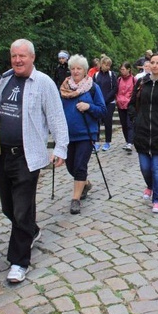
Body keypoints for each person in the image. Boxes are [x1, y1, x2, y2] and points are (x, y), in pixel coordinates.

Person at [0, 39, 69, 284]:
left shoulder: (43, 83)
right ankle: (31, 229)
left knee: (21, 210)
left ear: (32, 58)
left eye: (22, 56)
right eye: (14, 56)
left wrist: (60, 148)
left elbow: (57, 118)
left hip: (27, 157)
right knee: (9, 208)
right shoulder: (5, 80)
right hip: (0, 154)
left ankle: (19, 262)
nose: (17, 60)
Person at [128, 52, 158, 213]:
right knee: (144, 167)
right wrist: (136, 119)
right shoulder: (142, 82)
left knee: (156, 168)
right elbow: (132, 103)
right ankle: (149, 186)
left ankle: (157, 199)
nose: (154, 65)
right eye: (152, 62)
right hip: (141, 130)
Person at [60, 55, 106, 215]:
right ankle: (85, 183)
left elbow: (102, 110)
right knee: (71, 166)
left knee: (80, 166)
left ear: (85, 70)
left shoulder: (93, 88)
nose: (75, 71)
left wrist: (89, 106)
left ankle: (75, 200)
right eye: (73, 68)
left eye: (78, 68)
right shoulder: (64, 88)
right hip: (67, 135)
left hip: (86, 134)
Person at [93, 56, 117, 151]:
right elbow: (93, 87)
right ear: (102, 64)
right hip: (98, 103)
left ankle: (107, 142)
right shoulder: (96, 75)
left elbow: (115, 88)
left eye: (109, 65)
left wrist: (106, 99)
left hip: (109, 102)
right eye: (106, 65)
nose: (108, 67)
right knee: (97, 122)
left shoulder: (112, 75)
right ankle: (96, 141)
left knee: (108, 122)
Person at [116, 62, 136, 152]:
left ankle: (130, 142)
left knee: (129, 124)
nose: (122, 71)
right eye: (121, 69)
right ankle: (127, 141)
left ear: (128, 69)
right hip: (120, 104)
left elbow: (136, 91)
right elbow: (116, 90)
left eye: (123, 69)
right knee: (124, 124)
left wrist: (132, 100)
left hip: (130, 105)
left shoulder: (133, 79)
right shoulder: (119, 79)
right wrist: (117, 99)